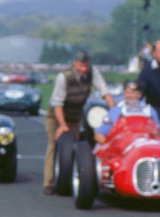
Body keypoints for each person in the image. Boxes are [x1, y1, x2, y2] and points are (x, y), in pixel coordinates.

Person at [43, 50, 115, 194]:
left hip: (75, 115)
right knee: (54, 144)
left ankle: (71, 179)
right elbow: (57, 104)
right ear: (74, 63)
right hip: (56, 115)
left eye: (86, 66)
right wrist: (62, 125)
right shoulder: (64, 77)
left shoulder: (92, 72)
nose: (84, 69)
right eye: (81, 66)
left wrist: (114, 112)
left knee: (74, 145)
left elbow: (104, 91)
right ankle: (49, 183)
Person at [93, 79, 159, 144]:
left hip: (144, 145)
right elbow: (99, 135)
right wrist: (110, 145)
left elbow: (159, 135)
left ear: (139, 95)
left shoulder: (149, 111)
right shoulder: (115, 111)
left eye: (132, 93)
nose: (129, 95)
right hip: (122, 147)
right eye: (126, 92)